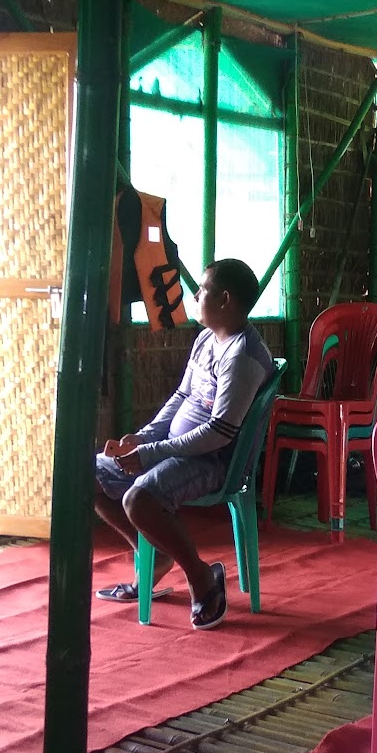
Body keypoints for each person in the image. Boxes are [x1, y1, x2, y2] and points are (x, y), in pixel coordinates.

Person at [94, 257, 274, 628]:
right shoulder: (207, 339)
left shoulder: (243, 356)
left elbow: (219, 432)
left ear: (224, 299)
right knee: (90, 472)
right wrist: (143, 438)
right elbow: (181, 396)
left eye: (202, 289)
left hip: (215, 462)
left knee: (139, 498)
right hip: (176, 449)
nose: (195, 295)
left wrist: (149, 454)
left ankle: (201, 578)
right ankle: (155, 556)